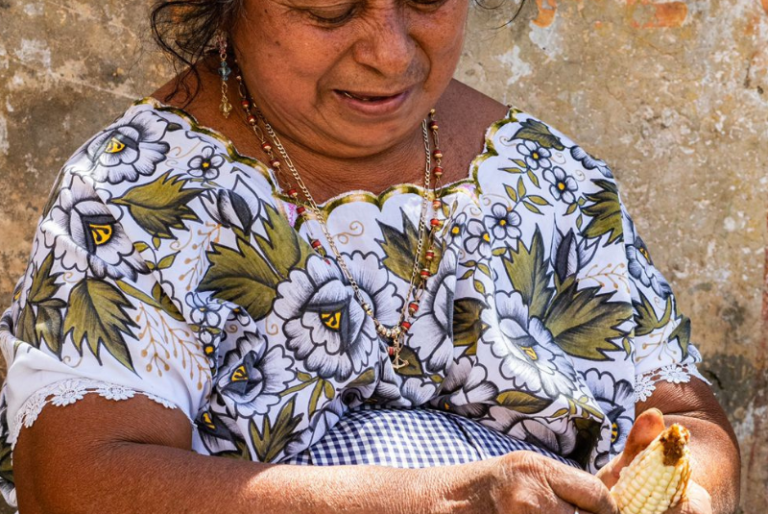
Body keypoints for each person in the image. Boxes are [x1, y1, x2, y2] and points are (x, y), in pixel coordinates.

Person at [0, 0, 740, 512]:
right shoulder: (140, 193)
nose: (389, 52)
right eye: (328, 11)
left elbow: (686, 420)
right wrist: (434, 499)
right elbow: (75, 486)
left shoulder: (554, 184)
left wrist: (687, 484)